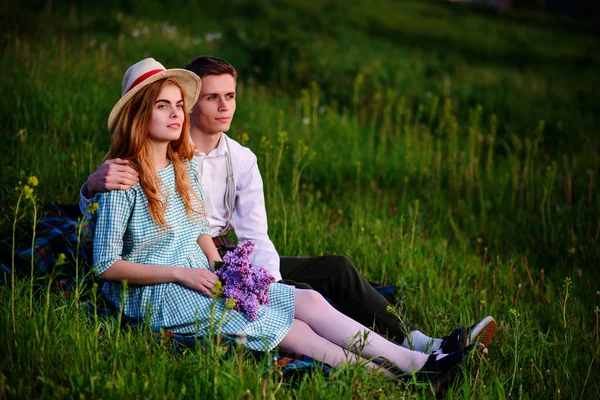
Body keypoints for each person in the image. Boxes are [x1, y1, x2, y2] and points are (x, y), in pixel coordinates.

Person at [92, 57, 480, 385]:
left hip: (207, 266)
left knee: (309, 296)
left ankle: (418, 359)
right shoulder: (121, 177)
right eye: (164, 105)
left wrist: (233, 274)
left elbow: (214, 231)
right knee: (294, 329)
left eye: (179, 104)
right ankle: (400, 377)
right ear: (141, 115)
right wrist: (182, 273)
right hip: (163, 287)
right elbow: (105, 263)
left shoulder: (191, 166)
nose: (177, 112)